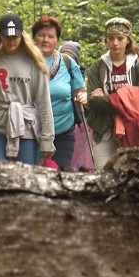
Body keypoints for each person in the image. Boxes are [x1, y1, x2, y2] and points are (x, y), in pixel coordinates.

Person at [0, 13, 55, 165]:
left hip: (26, 126)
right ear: (0, 37)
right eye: (7, 36)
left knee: (25, 175)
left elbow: (44, 103)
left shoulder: (34, 63)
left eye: (15, 36)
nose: (11, 40)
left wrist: (47, 139)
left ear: (22, 36)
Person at [84, 17, 139, 169]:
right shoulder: (98, 66)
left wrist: (105, 99)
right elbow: (92, 102)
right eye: (111, 38)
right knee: (103, 174)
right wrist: (127, 99)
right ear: (106, 40)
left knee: (131, 175)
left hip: (132, 131)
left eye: (120, 38)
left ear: (128, 40)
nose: (115, 43)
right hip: (103, 130)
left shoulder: (138, 65)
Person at [31, 16, 87, 169]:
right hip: (30, 134)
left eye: (51, 36)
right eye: (41, 35)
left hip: (62, 133)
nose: (45, 40)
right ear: (33, 37)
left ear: (57, 40)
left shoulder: (67, 63)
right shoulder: (24, 61)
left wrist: (84, 96)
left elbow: (80, 91)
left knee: (60, 176)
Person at [60, 40, 96, 170]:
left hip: (77, 126)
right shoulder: (54, 74)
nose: (67, 59)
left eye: (71, 57)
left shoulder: (79, 78)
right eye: (64, 55)